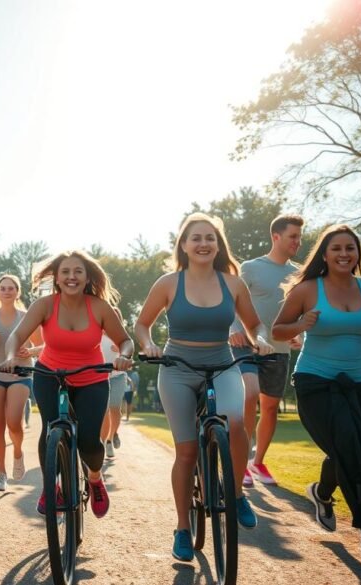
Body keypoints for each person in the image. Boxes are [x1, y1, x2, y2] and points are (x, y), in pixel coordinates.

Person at [134, 212, 273, 563]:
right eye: (195, 238)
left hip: (222, 364)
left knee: (237, 422)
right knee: (186, 453)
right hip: (178, 368)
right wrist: (148, 344)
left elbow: (254, 324)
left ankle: (237, 493)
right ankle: (183, 527)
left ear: (218, 244)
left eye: (210, 237)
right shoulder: (168, 283)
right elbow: (142, 324)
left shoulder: (233, 283)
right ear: (183, 244)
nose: (203, 243)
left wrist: (260, 340)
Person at [273, 224, 361, 565]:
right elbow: (278, 330)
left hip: (359, 385)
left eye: (350, 248)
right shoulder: (307, 290)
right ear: (324, 254)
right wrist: (300, 325)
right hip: (316, 383)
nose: (344, 253)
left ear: (357, 254)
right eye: (337, 248)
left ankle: (322, 492)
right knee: (348, 449)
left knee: (347, 449)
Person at [1, 251, 133, 520]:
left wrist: (124, 356)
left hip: (91, 377)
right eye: (65, 272)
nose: (71, 276)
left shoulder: (99, 307)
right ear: (57, 278)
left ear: (86, 278)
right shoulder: (45, 305)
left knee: (88, 442)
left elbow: (126, 341)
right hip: (50, 374)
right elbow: (16, 336)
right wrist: (11, 356)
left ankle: (95, 479)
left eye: (78, 272)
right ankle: (51, 489)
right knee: (50, 430)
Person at [227, 215, 303, 488]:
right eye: (293, 236)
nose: (298, 241)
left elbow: (301, 309)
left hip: (279, 348)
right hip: (245, 344)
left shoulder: (299, 273)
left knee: (270, 407)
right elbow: (233, 299)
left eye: (299, 236)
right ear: (276, 237)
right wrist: (233, 328)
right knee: (249, 394)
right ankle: (241, 460)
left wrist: (299, 334)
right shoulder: (251, 267)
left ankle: (257, 463)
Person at [0, 275, 42, 491]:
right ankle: (1, 474)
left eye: (11, 288)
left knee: (14, 421)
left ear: (17, 292)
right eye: (3, 288)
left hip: (21, 373)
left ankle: (17, 452)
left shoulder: (27, 317)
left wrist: (30, 350)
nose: (6, 291)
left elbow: (42, 345)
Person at [100, 325, 128, 459]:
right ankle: (103, 441)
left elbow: (128, 353)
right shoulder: (97, 333)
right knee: (104, 410)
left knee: (114, 407)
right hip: (101, 376)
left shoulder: (120, 336)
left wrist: (121, 350)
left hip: (118, 376)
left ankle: (110, 439)